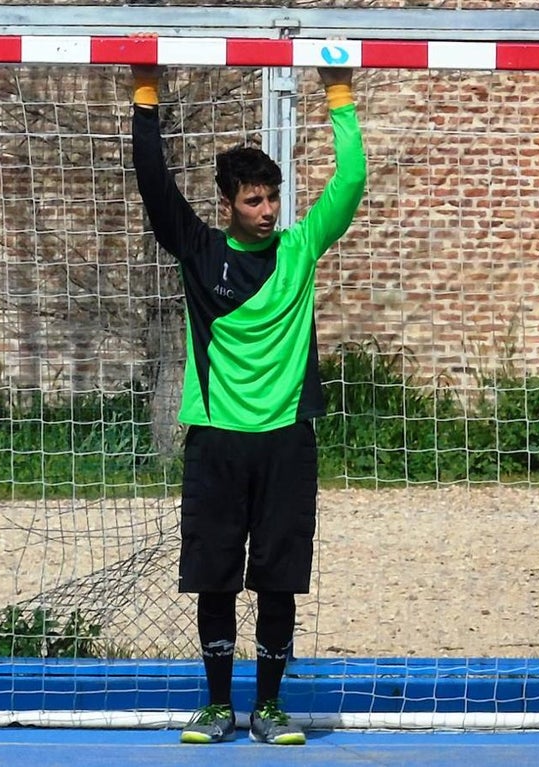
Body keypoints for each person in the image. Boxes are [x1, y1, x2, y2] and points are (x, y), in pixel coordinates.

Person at [130, 59, 366, 746]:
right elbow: (153, 181)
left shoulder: (302, 248)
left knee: (278, 579)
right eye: (254, 200)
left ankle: (268, 705)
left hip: (288, 438)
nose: (267, 211)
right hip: (215, 439)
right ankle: (215, 705)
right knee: (215, 577)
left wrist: (339, 93)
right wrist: (145, 91)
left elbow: (351, 179)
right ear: (228, 203)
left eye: (273, 199)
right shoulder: (198, 250)